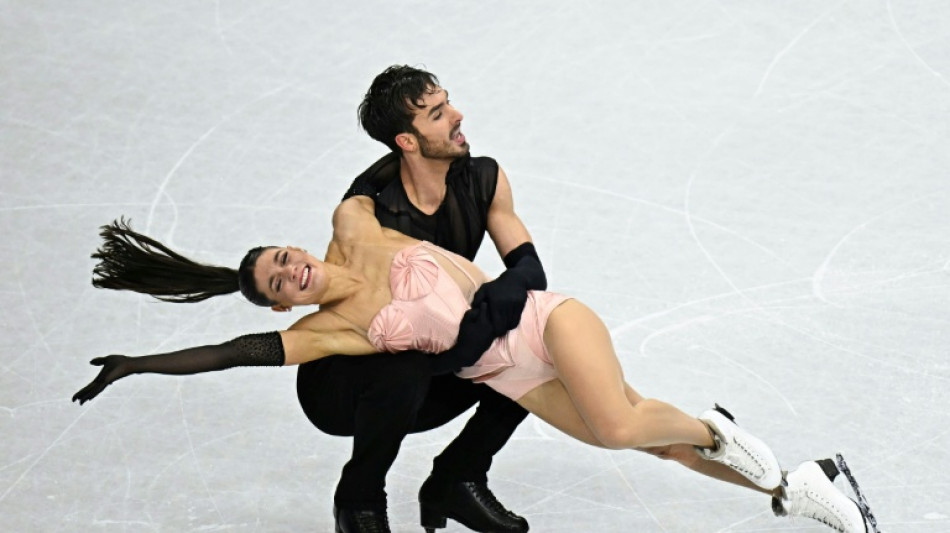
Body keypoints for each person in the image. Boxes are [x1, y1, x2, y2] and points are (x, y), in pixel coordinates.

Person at [75, 196, 874, 533]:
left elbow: (400, 160)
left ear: (297, 245)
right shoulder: (328, 333)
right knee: (633, 437)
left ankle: (714, 425)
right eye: (278, 284)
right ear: (285, 304)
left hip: (543, 319)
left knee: (620, 420)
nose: (291, 272)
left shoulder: (353, 222)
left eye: (283, 258)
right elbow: (231, 352)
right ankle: (797, 488)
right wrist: (138, 363)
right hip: (508, 375)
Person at [312, 65, 541, 532]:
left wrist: (497, 302)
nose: (457, 115)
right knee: (405, 363)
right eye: (438, 114)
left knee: (533, 345)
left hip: (433, 355)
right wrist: (462, 342)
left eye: (447, 102)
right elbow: (369, 321)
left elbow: (528, 269)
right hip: (347, 380)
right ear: (408, 142)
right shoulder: (368, 211)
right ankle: (358, 502)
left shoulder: (482, 178)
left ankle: (457, 479)